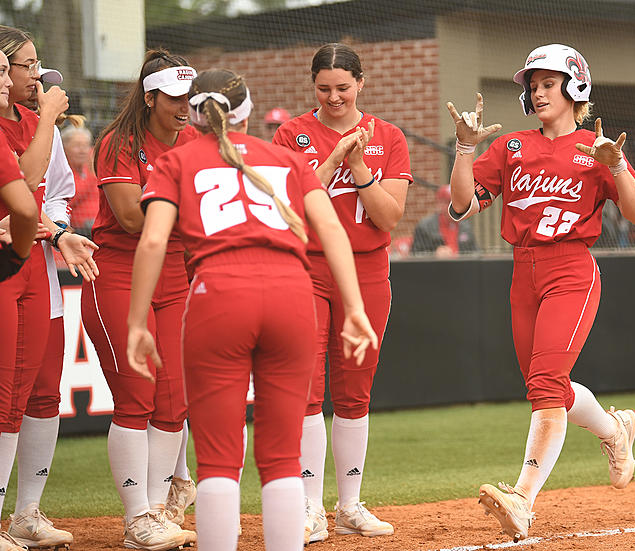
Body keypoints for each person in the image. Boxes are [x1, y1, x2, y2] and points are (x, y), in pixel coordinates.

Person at [127, 68, 378, 551]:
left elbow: (154, 237)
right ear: (245, 110)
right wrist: (355, 308)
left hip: (218, 294)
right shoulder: (284, 158)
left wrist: (138, 321)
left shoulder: (178, 160)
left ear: (196, 113)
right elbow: (330, 230)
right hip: (291, 293)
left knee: (220, 460)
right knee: (283, 457)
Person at [445, 43, 635, 542]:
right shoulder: (512, 146)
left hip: (571, 271)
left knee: (544, 385)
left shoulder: (596, 147)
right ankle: (614, 429)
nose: (537, 92)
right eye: (532, 85)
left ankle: (523, 498)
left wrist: (617, 166)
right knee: (549, 388)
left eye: (547, 84)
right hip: (523, 274)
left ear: (575, 86)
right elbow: (463, 206)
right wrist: (465, 149)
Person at [272, 43, 411, 542]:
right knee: (306, 387)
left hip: (367, 270)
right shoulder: (291, 132)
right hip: (306, 268)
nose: (333, 97)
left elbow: (389, 216)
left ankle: (350, 504)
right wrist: (334, 155)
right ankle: (310, 508)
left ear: (361, 83)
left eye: (343, 88)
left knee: (355, 390)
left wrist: (360, 169)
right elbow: (290, 206)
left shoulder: (389, 136)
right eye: (324, 88)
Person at [81, 49, 199, 549]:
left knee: (174, 401)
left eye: (188, 97)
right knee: (138, 396)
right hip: (120, 274)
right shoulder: (118, 141)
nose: (183, 106)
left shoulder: (195, 139)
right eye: (173, 97)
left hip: (174, 275)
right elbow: (130, 219)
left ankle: (154, 512)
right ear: (150, 97)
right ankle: (137, 519)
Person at [0, 26, 100, 550]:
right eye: (25, 65)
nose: (36, 75)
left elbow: (55, 193)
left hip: (35, 265)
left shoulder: (42, 124)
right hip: (6, 266)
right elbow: (21, 179)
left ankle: (27, 514)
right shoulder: (36, 126)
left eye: (38, 63)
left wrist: (55, 229)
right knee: (6, 395)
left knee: (42, 393)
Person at [410, 185, 477, 256]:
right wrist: (435, 254)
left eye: (458, 202)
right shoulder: (425, 227)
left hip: (462, 266)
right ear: (440, 204)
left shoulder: (465, 225)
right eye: (450, 203)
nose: (455, 207)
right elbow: (415, 255)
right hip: (437, 266)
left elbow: (476, 252)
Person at [61, 123, 99, 235]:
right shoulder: (62, 169)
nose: (82, 151)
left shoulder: (94, 158)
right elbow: (69, 199)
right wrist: (92, 176)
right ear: (64, 147)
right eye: (77, 146)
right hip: (79, 229)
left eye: (86, 145)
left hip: (101, 221)